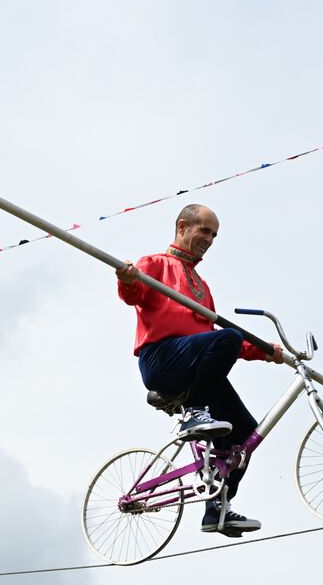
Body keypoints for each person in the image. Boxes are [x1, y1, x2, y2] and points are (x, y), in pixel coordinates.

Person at [116, 203, 284, 537]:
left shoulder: (201, 286)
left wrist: (265, 352)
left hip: (193, 361)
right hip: (162, 358)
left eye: (214, 235)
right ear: (182, 227)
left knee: (245, 431)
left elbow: (212, 338)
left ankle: (217, 507)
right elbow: (133, 294)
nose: (209, 239)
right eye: (204, 231)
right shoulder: (155, 264)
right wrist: (126, 279)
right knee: (228, 339)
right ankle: (195, 410)